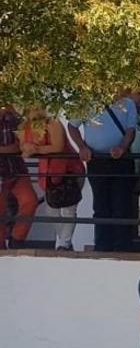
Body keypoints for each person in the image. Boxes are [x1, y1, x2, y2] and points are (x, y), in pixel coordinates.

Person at [67, 94, 139, 252]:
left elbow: (130, 131)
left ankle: (122, 247)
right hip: (96, 160)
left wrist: (122, 147)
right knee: (100, 205)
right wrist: (82, 147)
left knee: (122, 204)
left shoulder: (128, 103)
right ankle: (102, 246)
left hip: (121, 160)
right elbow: (72, 126)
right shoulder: (86, 102)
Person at [20, 107, 84, 250]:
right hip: (49, 173)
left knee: (69, 208)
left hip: (69, 170)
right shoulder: (28, 126)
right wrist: (28, 147)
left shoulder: (53, 123)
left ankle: (64, 244)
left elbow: (58, 146)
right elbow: (23, 146)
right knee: (51, 210)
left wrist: (35, 150)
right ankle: (64, 240)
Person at [0, 105, 38, 249]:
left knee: (30, 201)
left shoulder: (12, 118)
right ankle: (2, 247)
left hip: (16, 169)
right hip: (4, 172)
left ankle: (16, 239)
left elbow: (20, 146)